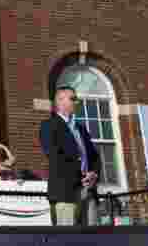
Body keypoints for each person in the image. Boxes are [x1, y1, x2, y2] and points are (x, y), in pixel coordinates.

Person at [45, 86, 100, 226]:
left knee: (93, 237)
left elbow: (94, 156)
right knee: (67, 238)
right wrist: (80, 174)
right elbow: (54, 156)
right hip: (65, 191)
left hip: (88, 190)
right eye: (73, 98)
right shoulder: (49, 125)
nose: (77, 102)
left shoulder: (81, 128)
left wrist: (94, 173)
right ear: (60, 101)